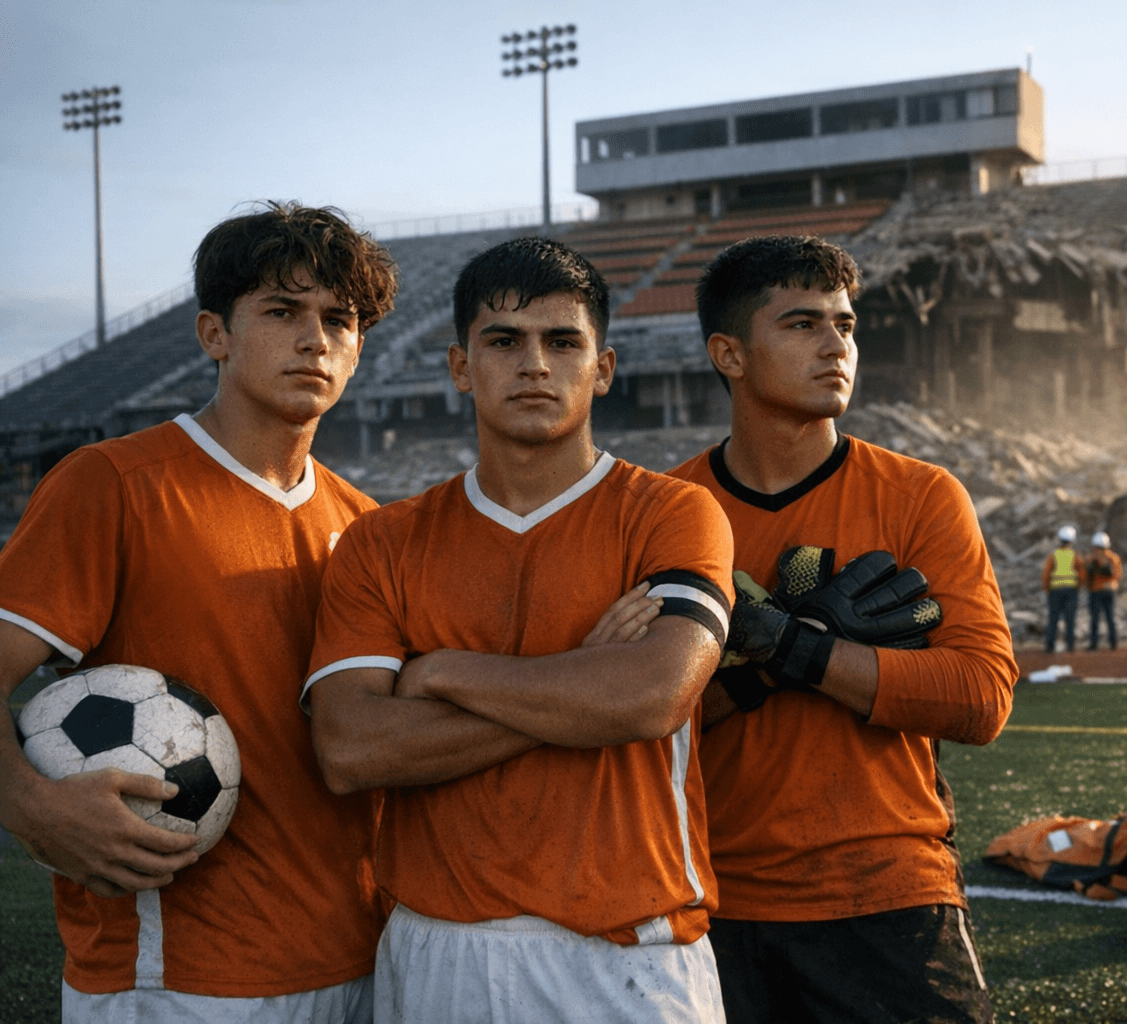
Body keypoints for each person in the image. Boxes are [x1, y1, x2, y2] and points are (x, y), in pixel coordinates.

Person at [304, 236, 734, 1024]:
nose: (535, 363)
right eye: (504, 341)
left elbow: (649, 695)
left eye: (563, 341)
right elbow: (350, 749)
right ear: (461, 367)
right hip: (438, 947)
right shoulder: (384, 540)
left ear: (603, 368)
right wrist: (577, 683)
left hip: (629, 954)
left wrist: (441, 671)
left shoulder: (674, 512)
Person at [0, 202, 398, 1022]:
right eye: (282, 312)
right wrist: (29, 803)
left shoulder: (368, 527)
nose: (314, 340)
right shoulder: (113, 485)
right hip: (174, 981)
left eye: (339, 320)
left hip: (362, 963)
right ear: (214, 333)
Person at [671, 235, 1018, 1024]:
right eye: (802, 324)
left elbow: (981, 698)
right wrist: (782, 659)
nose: (837, 345)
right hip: (710, 898)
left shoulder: (922, 496)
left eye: (846, 324)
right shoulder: (666, 511)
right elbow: (639, 717)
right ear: (729, 353)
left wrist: (791, 643)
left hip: (890, 894)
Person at [1041, 525, 1085, 653]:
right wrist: (1078, 586)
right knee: (1070, 619)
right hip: (1071, 591)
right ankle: (1070, 645)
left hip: (1055, 591)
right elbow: (1082, 574)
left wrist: (1047, 588)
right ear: (1072, 540)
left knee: (1053, 619)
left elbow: (1046, 573)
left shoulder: (1053, 555)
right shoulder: (1075, 556)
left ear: (1060, 539)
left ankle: (1050, 645)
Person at [1085, 531, 1122, 651]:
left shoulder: (1091, 558)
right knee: (1110, 616)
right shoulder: (1114, 558)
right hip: (1109, 590)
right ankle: (1113, 642)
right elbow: (1118, 575)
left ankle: (1094, 643)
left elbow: (1086, 575)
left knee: (1095, 618)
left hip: (1096, 591)